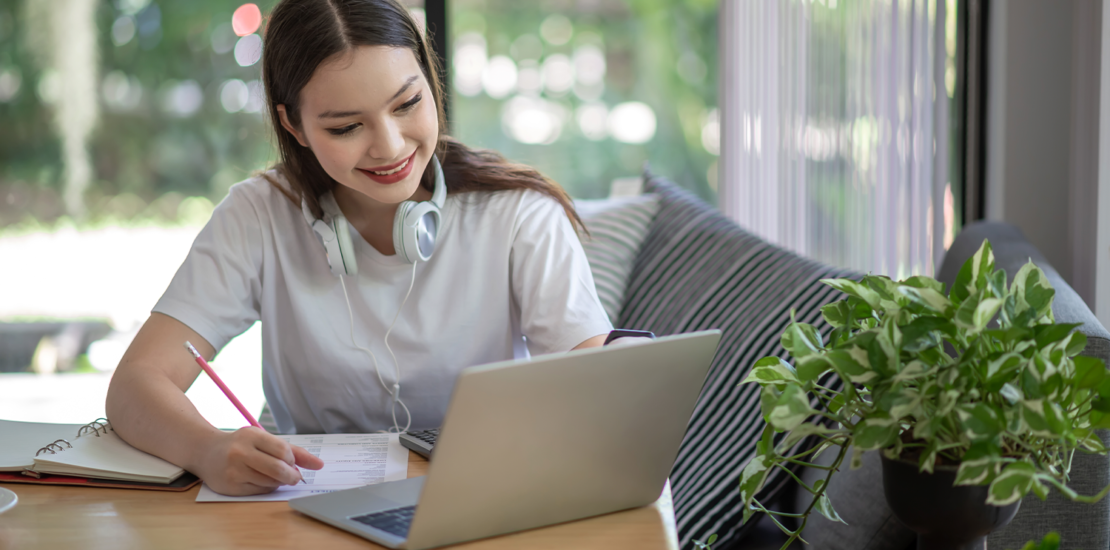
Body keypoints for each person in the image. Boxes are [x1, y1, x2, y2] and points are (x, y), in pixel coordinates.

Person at [105, 0, 613, 497]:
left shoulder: (519, 214)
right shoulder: (257, 214)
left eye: (408, 104)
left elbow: (600, 393)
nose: (389, 147)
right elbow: (135, 385)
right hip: (306, 508)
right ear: (293, 125)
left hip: (484, 499)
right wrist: (206, 449)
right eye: (346, 127)